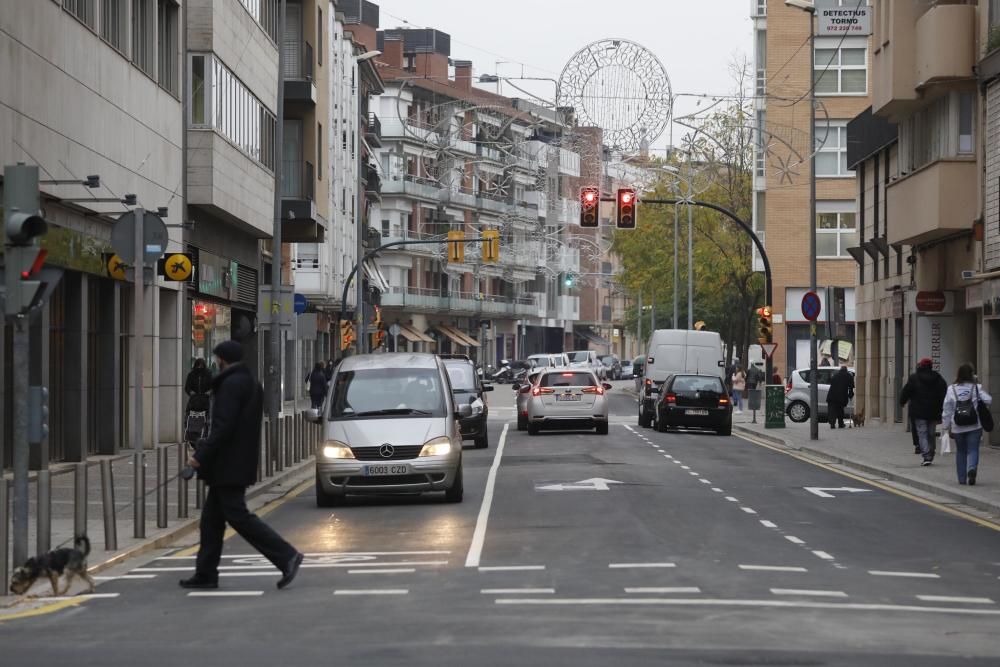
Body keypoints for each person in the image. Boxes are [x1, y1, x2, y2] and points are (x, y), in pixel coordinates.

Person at [181, 340, 303, 590]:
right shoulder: (249, 382)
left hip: (229, 464)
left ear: (223, 359)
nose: (215, 362)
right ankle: (205, 573)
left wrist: (199, 456)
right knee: (211, 522)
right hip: (237, 461)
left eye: (217, 358)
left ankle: (286, 555)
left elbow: (223, 426)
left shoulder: (231, 384)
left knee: (239, 517)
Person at [942, 363, 993, 486]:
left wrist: (945, 426)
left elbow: (947, 409)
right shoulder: (976, 387)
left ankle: (961, 479)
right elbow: (989, 400)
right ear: (972, 375)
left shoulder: (951, 389)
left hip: (957, 426)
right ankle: (971, 469)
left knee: (961, 452)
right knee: (973, 449)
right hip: (974, 425)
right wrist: (977, 384)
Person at [899, 358, 947, 466]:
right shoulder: (938, 378)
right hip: (933, 411)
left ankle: (926, 455)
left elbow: (906, 391)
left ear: (920, 366)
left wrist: (902, 401)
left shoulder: (914, 378)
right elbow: (944, 392)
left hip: (918, 411)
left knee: (922, 433)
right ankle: (931, 452)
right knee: (931, 433)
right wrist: (943, 407)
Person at [183, 359, 213, 441]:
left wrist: (209, 392)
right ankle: (191, 434)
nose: (200, 367)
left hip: (205, 400)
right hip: (194, 400)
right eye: (198, 365)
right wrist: (191, 392)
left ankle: (205, 436)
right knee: (191, 416)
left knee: (206, 418)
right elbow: (187, 387)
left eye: (201, 366)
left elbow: (213, 386)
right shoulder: (191, 374)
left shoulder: (208, 374)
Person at [826, 364, 854, 429]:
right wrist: (850, 394)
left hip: (832, 396)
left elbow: (830, 381)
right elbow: (851, 387)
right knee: (840, 410)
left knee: (832, 411)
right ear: (846, 370)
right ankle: (840, 424)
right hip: (841, 396)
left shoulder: (835, 375)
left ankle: (832, 424)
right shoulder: (848, 376)